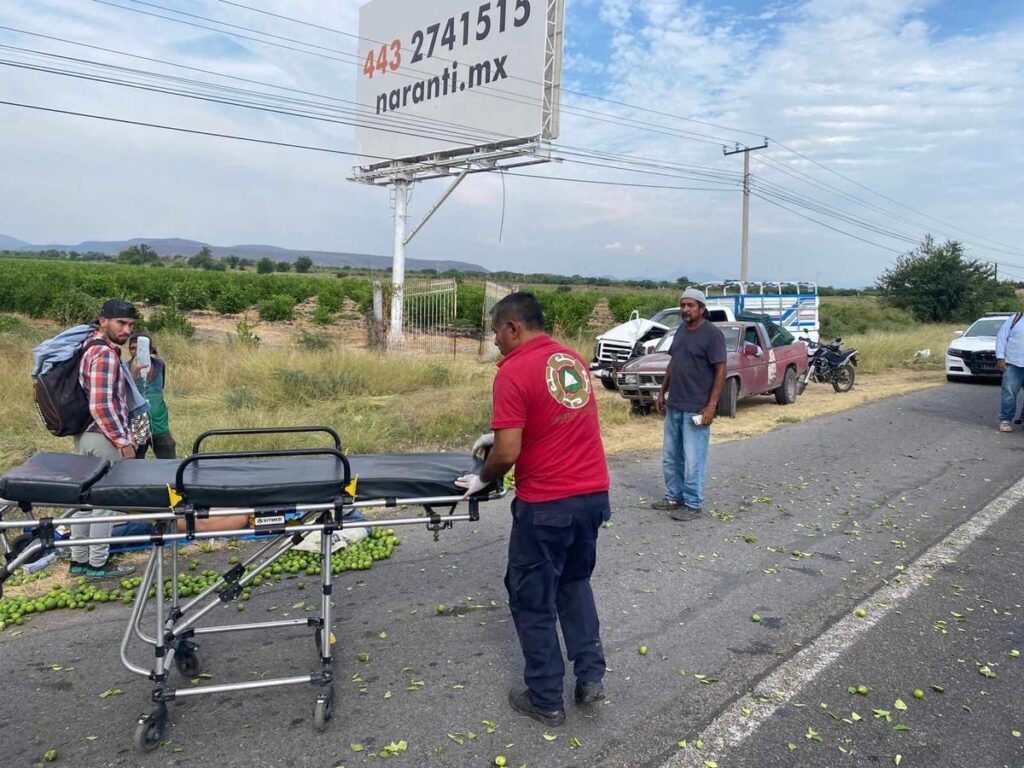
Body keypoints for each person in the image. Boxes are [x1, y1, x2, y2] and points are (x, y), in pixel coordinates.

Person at [456, 292, 611, 728]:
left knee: (532, 598)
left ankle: (545, 698)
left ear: (513, 327)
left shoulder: (513, 370)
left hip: (548, 505)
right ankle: (591, 679)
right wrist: (499, 436)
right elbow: (554, 420)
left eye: (496, 335)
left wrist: (483, 477)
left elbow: (507, 453)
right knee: (575, 583)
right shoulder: (570, 361)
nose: (495, 345)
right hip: (592, 497)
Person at [68, 299, 141, 579]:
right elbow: (101, 405)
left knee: (85, 500)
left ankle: (79, 560)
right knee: (104, 502)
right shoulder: (106, 355)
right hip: (102, 436)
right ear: (103, 321)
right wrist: (123, 441)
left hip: (87, 434)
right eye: (120, 323)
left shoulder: (89, 346)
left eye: (130, 325)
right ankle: (98, 564)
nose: (126, 330)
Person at [654, 288, 727, 520]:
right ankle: (673, 497)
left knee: (693, 459)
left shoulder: (712, 334)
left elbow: (721, 370)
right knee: (671, 456)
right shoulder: (680, 332)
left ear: (701, 309)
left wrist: (711, 406)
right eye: (683, 305)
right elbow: (674, 362)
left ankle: (693, 504)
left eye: (690, 305)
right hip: (675, 404)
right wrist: (662, 391)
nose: (685, 309)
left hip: (696, 408)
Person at [128, 333, 177, 459]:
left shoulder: (159, 365)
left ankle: (168, 480)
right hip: (136, 424)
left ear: (150, 349)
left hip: (159, 422)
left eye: (140, 348)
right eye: (132, 348)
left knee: (168, 454)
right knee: (135, 460)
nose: (136, 352)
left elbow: (160, 389)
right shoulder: (125, 368)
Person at [995, 311, 1024, 432]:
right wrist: (1000, 357)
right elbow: (1001, 337)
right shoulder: (1015, 318)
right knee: (1009, 394)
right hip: (1013, 362)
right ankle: (1005, 420)